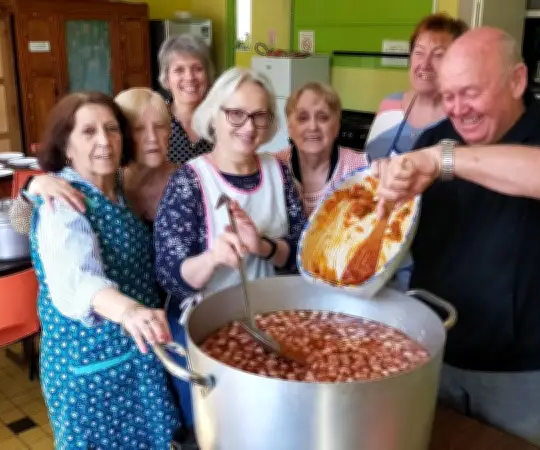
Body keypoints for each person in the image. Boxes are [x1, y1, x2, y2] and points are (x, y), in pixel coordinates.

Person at [371, 27, 540, 448]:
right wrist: (383, 202)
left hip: (518, 369)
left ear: (516, 81)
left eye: (471, 92)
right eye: (449, 95)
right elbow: (399, 230)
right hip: (436, 347)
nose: (458, 110)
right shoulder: (433, 140)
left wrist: (444, 160)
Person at [154, 68, 308, 429]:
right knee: (221, 430)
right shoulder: (189, 181)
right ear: (215, 115)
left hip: (273, 322)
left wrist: (264, 247)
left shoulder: (279, 171)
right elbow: (170, 276)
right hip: (209, 329)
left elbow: (302, 253)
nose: (248, 126)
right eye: (236, 113)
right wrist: (212, 258)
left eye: (258, 115)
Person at [30, 92, 182, 448]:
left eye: (112, 129)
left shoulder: (117, 191)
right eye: (88, 131)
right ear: (66, 146)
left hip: (136, 357)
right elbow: (79, 279)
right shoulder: (61, 203)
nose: (104, 140)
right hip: (90, 369)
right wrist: (129, 311)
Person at [365, 13, 468, 291]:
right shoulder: (389, 105)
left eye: (438, 55)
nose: (424, 64)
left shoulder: (463, 122)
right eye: (418, 52)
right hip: (374, 246)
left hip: (431, 258)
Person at [8, 88, 177, 231]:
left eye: (160, 126)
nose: (152, 138)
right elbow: (20, 224)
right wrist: (33, 185)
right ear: (123, 135)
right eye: (138, 129)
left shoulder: (185, 180)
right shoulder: (109, 178)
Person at [274, 81, 367, 216]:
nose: (313, 127)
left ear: (337, 126)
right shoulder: (273, 167)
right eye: (303, 118)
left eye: (323, 117)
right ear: (290, 128)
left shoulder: (362, 167)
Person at [158, 34, 215, 164]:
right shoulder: (157, 121)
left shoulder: (221, 119)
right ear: (167, 79)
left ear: (208, 74)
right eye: (179, 70)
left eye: (197, 69)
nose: (189, 77)